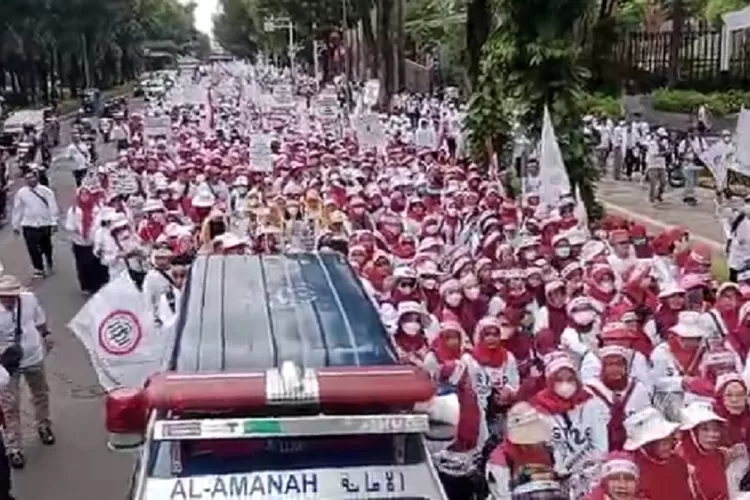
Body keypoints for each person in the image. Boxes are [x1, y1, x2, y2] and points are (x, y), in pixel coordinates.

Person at [0, 275, 54, 470]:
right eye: (3, 296)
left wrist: (46, 335)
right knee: (9, 406)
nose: (7, 300)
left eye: (10, 296)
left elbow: (39, 320)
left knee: (40, 394)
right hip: (6, 365)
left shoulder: (29, 299)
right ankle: (13, 447)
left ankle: (44, 425)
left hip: (33, 356)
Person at [623, 407, 695, 499]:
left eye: (667, 438)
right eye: (659, 440)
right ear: (646, 444)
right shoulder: (632, 468)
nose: (666, 445)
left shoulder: (678, 463)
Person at [11, 171, 58, 278]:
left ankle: (48, 260)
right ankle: (38, 268)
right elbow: (17, 209)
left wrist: (54, 221)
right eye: (27, 178)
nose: (30, 180)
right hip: (29, 224)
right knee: (32, 247)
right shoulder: (21, 193)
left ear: (37, 178)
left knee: (46, 245)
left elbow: (52, 206)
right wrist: (15, 225)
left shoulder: (46, 191)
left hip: (44, 223)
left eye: (32, 177)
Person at [64, 187, 103, 294]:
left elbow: (100, 223)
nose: (84, 196)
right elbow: (70, 226)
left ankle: (97, 285)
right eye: (82, 194)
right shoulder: (74, 210)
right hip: (79, 242)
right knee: (82, 265)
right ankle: (86, 285)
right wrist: (78, 231)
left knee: (95, 264)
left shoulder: (97, 209)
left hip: (94, 242)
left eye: (87, 194)